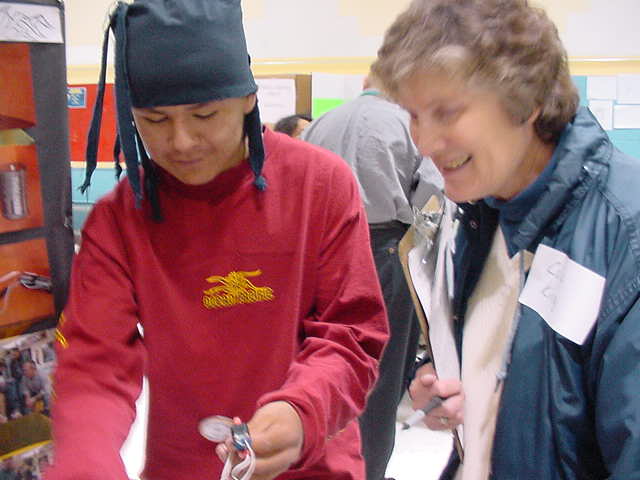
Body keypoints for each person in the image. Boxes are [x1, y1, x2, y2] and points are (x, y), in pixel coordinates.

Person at [46, 1, 388, 479]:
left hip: (309, 462)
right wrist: (85, 462)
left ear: (248, 96)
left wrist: (300, 412)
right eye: (155, 121)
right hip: (182, 467)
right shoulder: (121, 217)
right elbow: (93, 362)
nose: (181, 141)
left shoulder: (320, 185)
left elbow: (350, 335)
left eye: (204, 115)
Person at [372, 0, 640, 478]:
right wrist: (470, 398)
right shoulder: (480, 213)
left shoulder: (623, 238)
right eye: (414, 115)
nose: (425, 142)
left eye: (447, 112)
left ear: (527, 98)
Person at [302, 74, 442, 480]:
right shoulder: (408, 124)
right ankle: (368, 472)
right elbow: (431, 194)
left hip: (320, 255)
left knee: (323, 364)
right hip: (385, 251)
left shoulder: (320, 123)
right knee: (378, 381)